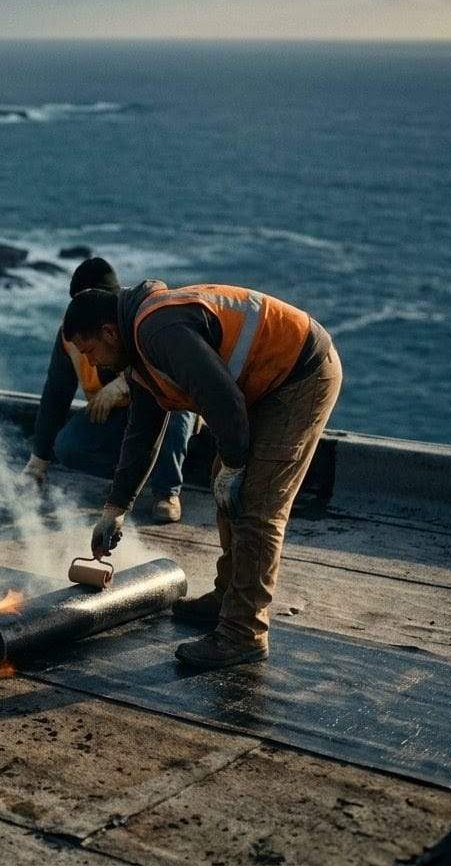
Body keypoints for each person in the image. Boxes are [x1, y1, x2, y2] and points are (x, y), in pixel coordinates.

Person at [62, 279, 341, 668]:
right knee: (229, 485)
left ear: (109, 331)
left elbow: (222, 399)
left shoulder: (158, 330)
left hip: (300, 374)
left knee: (257, 502)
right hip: (263, 384)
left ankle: (243, 633)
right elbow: (142, 435)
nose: (93, 365)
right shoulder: (137, 352)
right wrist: (116, 507)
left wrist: (235, 466)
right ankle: (228, 596)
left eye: (91, 351)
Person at [21, 257, 196, 522]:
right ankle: (133, 478)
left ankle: (166, 491)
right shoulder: (72, 335)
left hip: (165, 404)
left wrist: (124, 384)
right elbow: (56, 394)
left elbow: (179, 372)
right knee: (68, 446)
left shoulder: (145, 317)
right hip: (119, 418)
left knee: (173, 407)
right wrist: (37, 464)